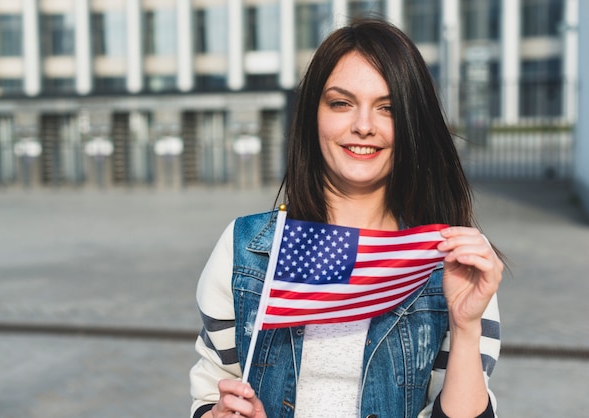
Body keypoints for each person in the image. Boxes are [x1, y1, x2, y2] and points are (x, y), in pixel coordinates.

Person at [190, 18, 504, 418]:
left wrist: (465, 326)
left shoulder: (454, 260)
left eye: (387, 108)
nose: (363, 126)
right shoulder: (248, 249)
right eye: (341, 103)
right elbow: (209, 391)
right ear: (312, 115)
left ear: (412, 123)